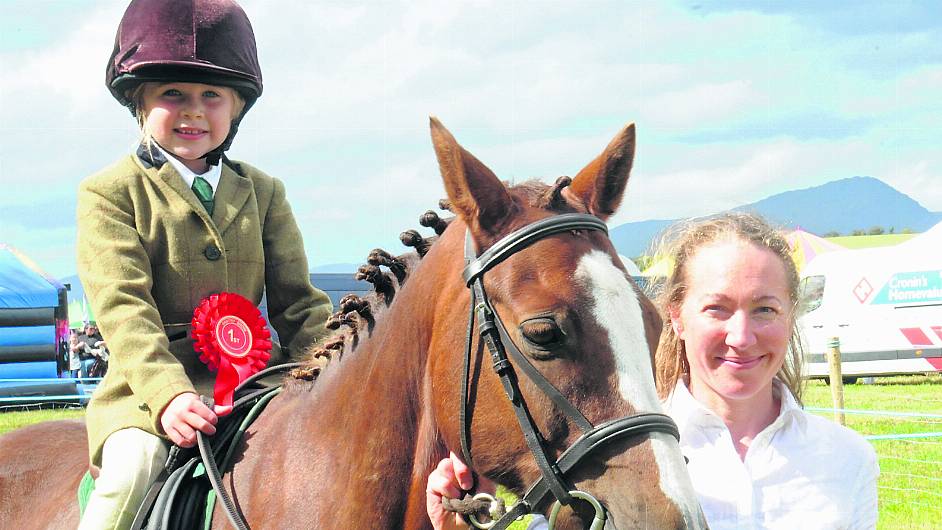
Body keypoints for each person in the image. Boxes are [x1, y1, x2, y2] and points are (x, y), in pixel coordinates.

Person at [426, 212, 879, 530]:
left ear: (790, 315)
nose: (742, 336)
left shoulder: (845, 458)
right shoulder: (611, 455)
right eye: (716, 309)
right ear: (676, 317)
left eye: (765, 309)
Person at [76, 1, 333, 528]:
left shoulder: (264, 192)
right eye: (174, 93)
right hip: (147, 397)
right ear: (139, 102)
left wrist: (334, 369)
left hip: (257, 382)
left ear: (236, 108)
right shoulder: (108, 193)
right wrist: (169, 395)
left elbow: (298, 302)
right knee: (131, 476)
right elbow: (123, 310)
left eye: (211, 96)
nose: (194, 111)